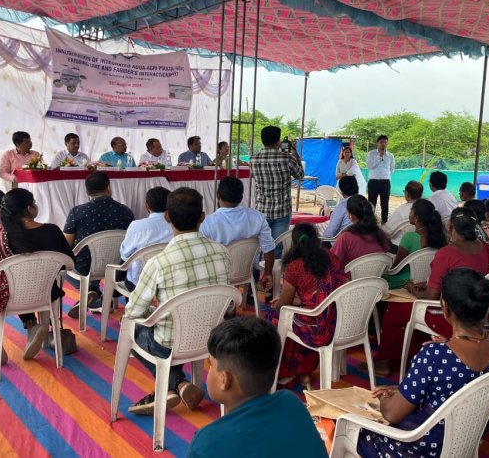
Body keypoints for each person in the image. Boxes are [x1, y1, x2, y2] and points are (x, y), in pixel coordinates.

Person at [357, 269, 489, 458]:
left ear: (445, 307)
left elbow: (392, 414)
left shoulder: (434, 355)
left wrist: (383, 399)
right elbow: (461, 385)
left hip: (420, 449)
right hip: (463, 442)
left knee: (349, 430)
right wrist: (402, 390)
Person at [125, 187, 231, 415]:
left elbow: (133, 310)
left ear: (167, 218)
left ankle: (173, 383)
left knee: (133, 328)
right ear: (202, 217)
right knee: (163, 321)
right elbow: (228, 301)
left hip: (170, 343)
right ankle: (179, 384)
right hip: (212, 336)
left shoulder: (158, 262)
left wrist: (156, 313)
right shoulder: (222, 252)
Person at [371, 207, 489, 376]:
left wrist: (412, 290)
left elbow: (431, 296)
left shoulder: (448, 252)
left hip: (451, 313)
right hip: (477, 309)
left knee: (396, 310)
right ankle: (406, 355)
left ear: (451, 226)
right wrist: (428, 284)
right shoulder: (484, 248)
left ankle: (384, 361)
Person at [187, 317, 327, 458]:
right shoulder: (292, 403)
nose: (209, 370)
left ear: (224, 380)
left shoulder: (206, 444)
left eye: (210, 364)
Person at [0, 189, 73, 363]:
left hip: (6, 297)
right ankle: (32, 327)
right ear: (29, 208)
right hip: (45, 293)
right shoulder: (52, 231)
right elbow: (69, 263)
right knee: (10, 281)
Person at [267, 224, 348, 387]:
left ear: (295, 243)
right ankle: (305, 372)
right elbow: (322, 295)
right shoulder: (332, 258)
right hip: (339, 320)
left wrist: (280, 304)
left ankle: (286, 373)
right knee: (296, 313)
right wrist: (296, 302)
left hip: (317, 327)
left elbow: (284, 306)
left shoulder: (296, 267)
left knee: (276, 317)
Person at [63, 172, 134, 317]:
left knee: (61, 264)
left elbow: (66, 246)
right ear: (109, 188)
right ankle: (96, 298)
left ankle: (91, 291)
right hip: (118, 266)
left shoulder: (77, 212)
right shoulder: (126, 211)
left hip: (85, 268)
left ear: (87, 191)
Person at [199, 176, 275, 284]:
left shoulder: (207, 222)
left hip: (219, 276)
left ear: (218, 195)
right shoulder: (258, 217)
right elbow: (269, 248)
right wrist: (268, 273)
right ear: (241, 197)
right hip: (247, 271)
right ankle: (249, 295)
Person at [249, 126, 303, 241]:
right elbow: (300, 175)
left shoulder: (253, 159)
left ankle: (262, 260)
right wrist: (295, 153)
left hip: (262, 209)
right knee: (277, 246)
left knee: (262, 244)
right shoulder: (287, 158)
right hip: (282, 210)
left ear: (262, 140)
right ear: (278, 141)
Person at [118, 186, 173, 291]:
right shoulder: (178, 226)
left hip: (139, 283)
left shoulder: (136, 226)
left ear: (147, 207)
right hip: (170, 281)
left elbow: (125, 255)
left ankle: (133, 304)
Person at [386, 199, 447, 289]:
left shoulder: (409, 237)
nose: (409, 213)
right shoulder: (440, 238)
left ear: (416, 217)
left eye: (411, 210)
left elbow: (396, 267)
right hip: (428, 280)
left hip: (406, 281)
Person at [330, 194, 390, 267]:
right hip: (375, 276)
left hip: (350, 277)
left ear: (351, 216)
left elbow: (332, 262)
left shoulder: (345, 238)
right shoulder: (380, 234)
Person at [365, 135, 395, 223]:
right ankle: (370, 223)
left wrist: (385, 176)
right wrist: (379, 156)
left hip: (385, 182)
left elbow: (392, 169)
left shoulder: (390, 155)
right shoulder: (371, 153)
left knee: (385, 204)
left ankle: (384, 224)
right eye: (381, 142)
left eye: (385, 142)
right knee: (371, 204)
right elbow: (369, 166)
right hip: (373, 182)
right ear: (377, 143)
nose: (383, 144)